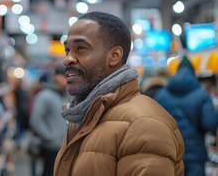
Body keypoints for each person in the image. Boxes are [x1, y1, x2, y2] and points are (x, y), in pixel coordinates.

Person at [53, 11, 184, 176]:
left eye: (81, 49)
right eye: (67, 50)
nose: (67, 59)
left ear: (114, 56)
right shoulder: (85, 117)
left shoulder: (143, 125)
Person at [155, 56, 218, 176]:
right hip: (195, 155)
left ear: (177, 71)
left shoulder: (161, 95)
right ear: (193, 72)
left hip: (169, 153)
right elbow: (209, 123)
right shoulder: (201, 94)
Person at [30, 66, 68, 176]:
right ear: (56, 77)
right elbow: (35, 120)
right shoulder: (44, 95)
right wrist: (51, 137)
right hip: (51, 146)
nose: (66, 80)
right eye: (63, 76)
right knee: (49, 172)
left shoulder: (64, 95)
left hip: (62, 145)